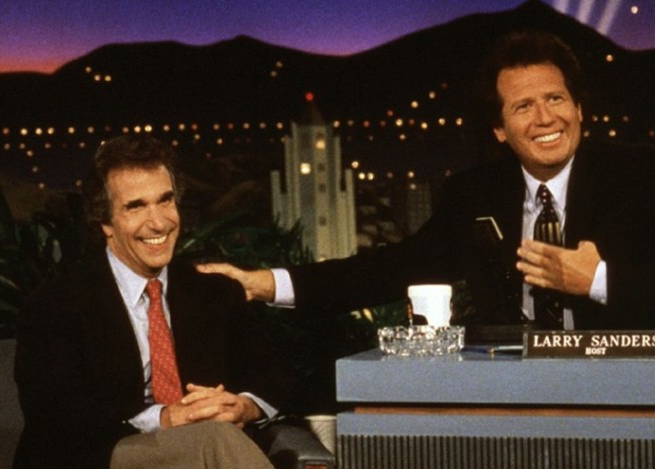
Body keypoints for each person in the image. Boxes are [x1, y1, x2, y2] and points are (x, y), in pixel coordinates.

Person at [9, 135, 436, 469]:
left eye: (165, 200)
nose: (157, 220)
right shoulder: (58, 302)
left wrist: (244, 407)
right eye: (135, 206)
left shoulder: (208, 291)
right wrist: (164, 419)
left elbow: (277, 375)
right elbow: (52, 412)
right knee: (210, 440)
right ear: (105, 224)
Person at [198, 30, 655, 332]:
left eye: (556, 98)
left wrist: (597, 279)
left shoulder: (639, 177)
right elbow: (392, 270)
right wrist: (262, 283)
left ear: (579, 108)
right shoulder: (474, 193)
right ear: (499, 129)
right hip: (517, 394)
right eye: (523, 107)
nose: (545, 118)